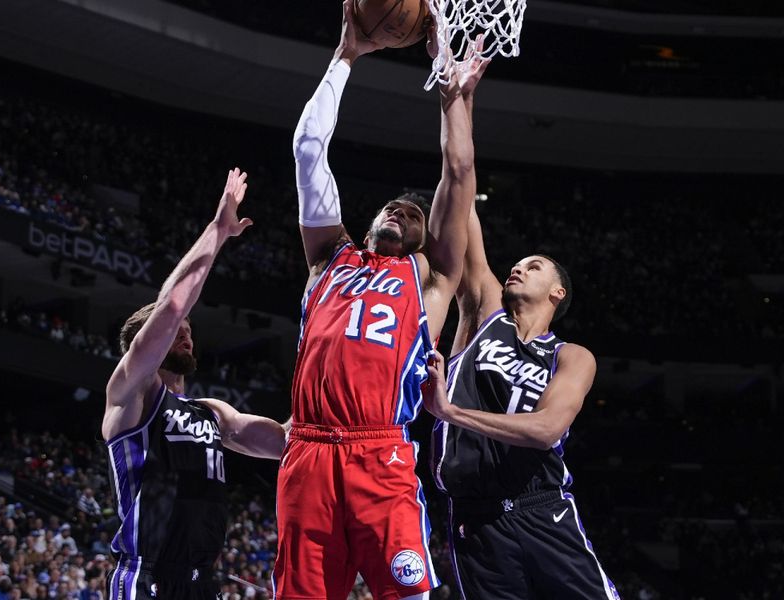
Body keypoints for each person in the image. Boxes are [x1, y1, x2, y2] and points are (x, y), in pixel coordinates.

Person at [271, 2, 489, 599]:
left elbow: (459, 170)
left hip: (380, 455)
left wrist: (449, 86)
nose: (401, 212)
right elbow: (308, 150)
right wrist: (345, 57)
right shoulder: (327, 260)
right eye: (394, 207)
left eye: (414, 215)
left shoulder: (431, 277)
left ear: (426, 237)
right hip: (308, 450)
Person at [423, 161, 620, 596]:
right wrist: (457, 104)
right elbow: (460, 181)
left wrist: (451, 413)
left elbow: (547, 429)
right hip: (475, 518)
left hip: (543, 510)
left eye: (533, 266)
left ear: (558, 292)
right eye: (516, 264)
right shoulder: (482, 315)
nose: (518, 268)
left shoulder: (572, 356)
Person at [102, 168, 286, 600]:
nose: (185, 332)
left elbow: (286, 442)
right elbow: (171, 307)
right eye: (174, 330)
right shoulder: (131, 393)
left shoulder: (212, 412)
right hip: (147, 578)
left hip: (204, 582)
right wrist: (217, 232)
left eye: (189, 329)